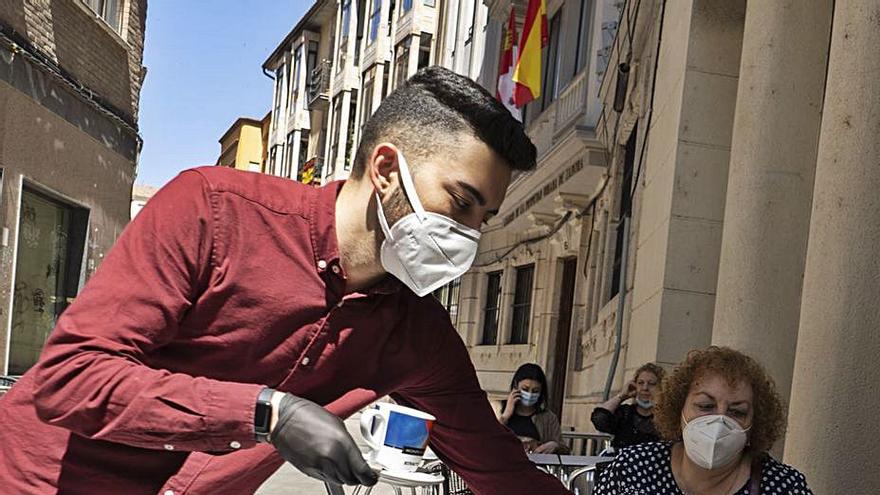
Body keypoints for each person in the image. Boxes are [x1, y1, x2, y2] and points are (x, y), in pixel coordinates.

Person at [0, 67, 569, 494]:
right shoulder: (213, 209)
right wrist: (266, 413)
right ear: (387, 169)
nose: (468, 235)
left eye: (482, 220)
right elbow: (70, 378)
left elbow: (499, 467)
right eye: (461, 203)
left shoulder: (417, 332)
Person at [594, 346, 812, 495]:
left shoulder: (783, 487)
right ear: (678, 410)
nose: (719, 422)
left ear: (756, 423)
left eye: (737, 412)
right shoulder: (632, 470)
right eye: (706, 406)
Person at [494, 363, 570, 454]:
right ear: (516, 386)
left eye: (535, 391)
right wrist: (505, 416)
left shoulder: (548, 417)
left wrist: (555, 446)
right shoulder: (497, 408)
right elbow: (486, 438)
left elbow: (564, 449)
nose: (530, 394)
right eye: (525, 389)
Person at [591, 362, 664, 450]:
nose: (645, 388)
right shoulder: (625, 413)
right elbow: (599, 419)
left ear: (661, 387)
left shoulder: (666, 418)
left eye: (651, 384)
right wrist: (622, 396)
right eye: (640, 383)